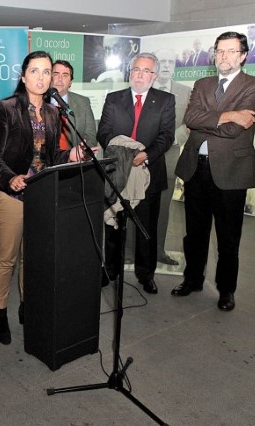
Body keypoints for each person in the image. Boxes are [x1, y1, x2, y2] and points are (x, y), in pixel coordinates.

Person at [0, 51, 93, 345]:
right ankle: (0, 313)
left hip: (42, 194)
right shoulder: (6, 108)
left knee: (32, 258)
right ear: (23, 76)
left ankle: (26, 306)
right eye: (35, 71)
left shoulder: (55, 112)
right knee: (7, 258)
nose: (42, 77)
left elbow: (50, 157)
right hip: (11, 195)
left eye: (47, 72)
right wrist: (10, 177)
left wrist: (70, 154)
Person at [173, 31, 255, 311]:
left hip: (231, 171)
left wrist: (212, 120)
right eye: (219, 51)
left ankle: (226, 290)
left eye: (229, 51)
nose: (223, 56)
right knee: (195, 233)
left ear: (243, 56)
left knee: (228, 237)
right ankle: (192, 280)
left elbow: (233, 130)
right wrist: (228, 114)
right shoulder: (202, 83)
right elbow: (190, 118)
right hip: (196, 169)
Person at [97, 52, 175, 295]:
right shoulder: (113, 98)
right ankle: (110, 269)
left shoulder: (166, 100)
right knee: (114, 225)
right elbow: (104, 132)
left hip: (149, 172)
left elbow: (166, 136)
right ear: (130, 72)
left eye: (146, 71)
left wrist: (145, 154)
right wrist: (124, 153)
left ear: (154, 75)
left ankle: (145, 274)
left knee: (146, 228)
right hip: (118, 172)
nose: (140, 75)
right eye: (136, 70)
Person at [153, 48, 192, 266]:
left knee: (163, 207)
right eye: (162, 61)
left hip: (169, 158)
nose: (167, 65)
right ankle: (131, 250)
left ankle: (159, 249)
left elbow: (191, 122)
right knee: (134, 203)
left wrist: (174, 138)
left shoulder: (186, 92)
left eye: (171, 61)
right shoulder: (143, 87)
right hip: (141, 158)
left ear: (175, 66)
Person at [50, 59, 98, 149]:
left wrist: (82, 151)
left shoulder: (83, 102)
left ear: (70, 83)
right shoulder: (38, 101)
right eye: (56, 74)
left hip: (74, 160)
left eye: (65, 75)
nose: (60, 79)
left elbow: (91, 137)